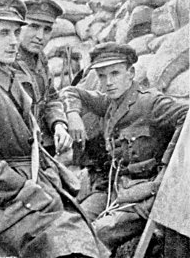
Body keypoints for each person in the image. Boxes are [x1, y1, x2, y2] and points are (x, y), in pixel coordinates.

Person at [0, 0, 108, 258]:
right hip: (1, 202)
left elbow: (49, 100)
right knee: (69, 242)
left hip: (28, 188)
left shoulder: (5, 73)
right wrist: (25, 190)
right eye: (3, 33)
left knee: (81, 236)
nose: (13, 41)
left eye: (15, 32)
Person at [58, 42, 188, 252]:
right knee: (73, 224)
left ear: (131, 73)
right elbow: (71, 92)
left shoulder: (150, 103)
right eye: (102, 76)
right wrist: (73, 115)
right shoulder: (108, 103)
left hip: (144, 194)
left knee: (97, 234)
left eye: (115, 73)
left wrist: (166, 171)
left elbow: (187, 117)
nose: (108, 82)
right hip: (115, 189)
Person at [13, 0, 72, 155]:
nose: (40, 36)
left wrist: (59, 124)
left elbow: (51, 97)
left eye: (47, 29)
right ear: (18, 27)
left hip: (39, 144)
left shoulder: (41, 60)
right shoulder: (3, 57)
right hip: (14, 147)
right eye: (34, 26)